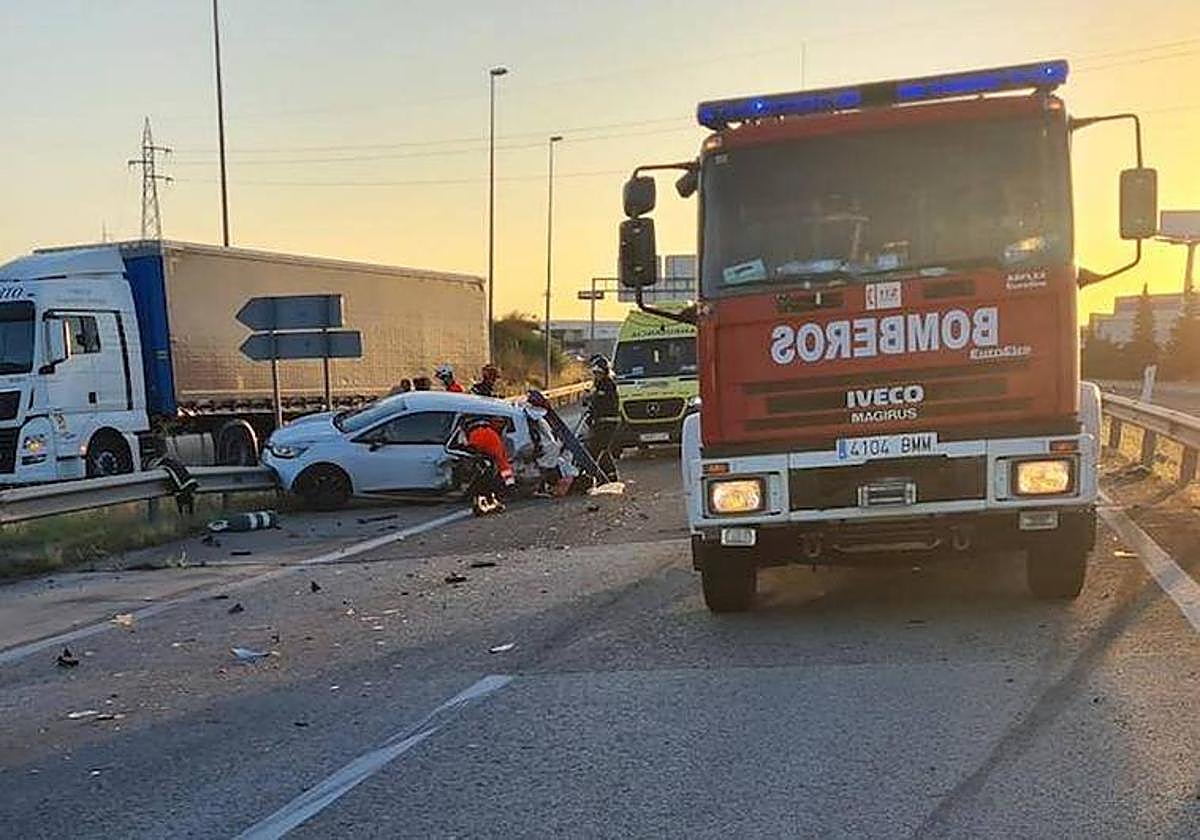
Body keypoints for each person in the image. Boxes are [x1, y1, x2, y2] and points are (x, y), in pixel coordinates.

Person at [463, 415, 515, 514]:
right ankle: (488, 500)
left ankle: (483, 500)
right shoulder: (491, 436)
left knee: (482, 478)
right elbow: (502, 462)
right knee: (488, 479)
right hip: (485, 464)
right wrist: (510, 483)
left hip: (478, 458)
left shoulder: (475, 432)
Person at [584, 354, 621, 482]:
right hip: (600, 422)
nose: (597, 375)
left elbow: (602, 402)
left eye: (599, 372)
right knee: (601, 449)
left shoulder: (608, 385)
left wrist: (593, 399)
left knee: (598, 448)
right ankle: (610, 475)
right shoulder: (598, 385)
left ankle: (596, 475)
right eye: (595, 373)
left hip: (609, 422)